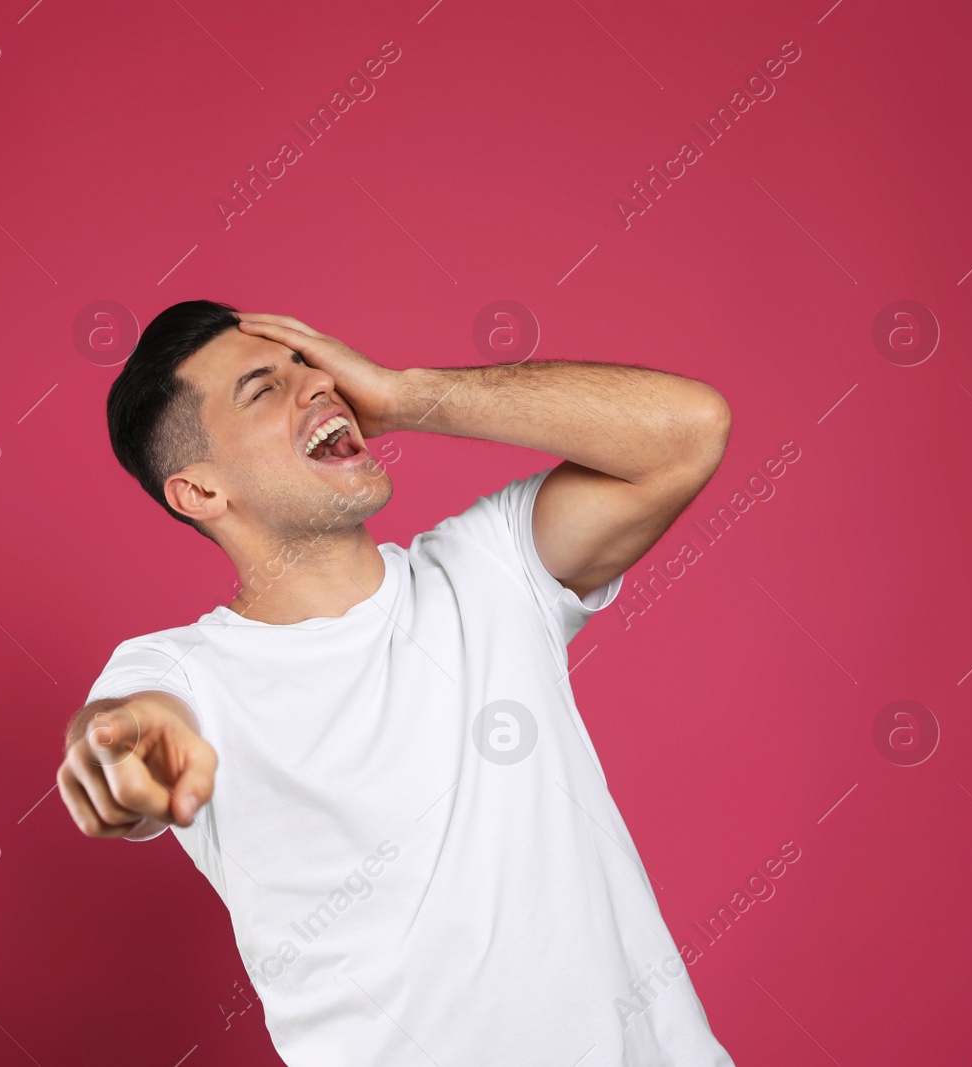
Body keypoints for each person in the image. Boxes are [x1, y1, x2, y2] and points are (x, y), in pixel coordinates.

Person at [56, 299, 736, 1066]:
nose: (318, 386)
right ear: (202, 492)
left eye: (309, 366)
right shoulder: (184, 671)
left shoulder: (489, 570)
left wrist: (408, 393)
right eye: (263, 389)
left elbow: (689, 430)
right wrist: (126, 754)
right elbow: (129, 725)